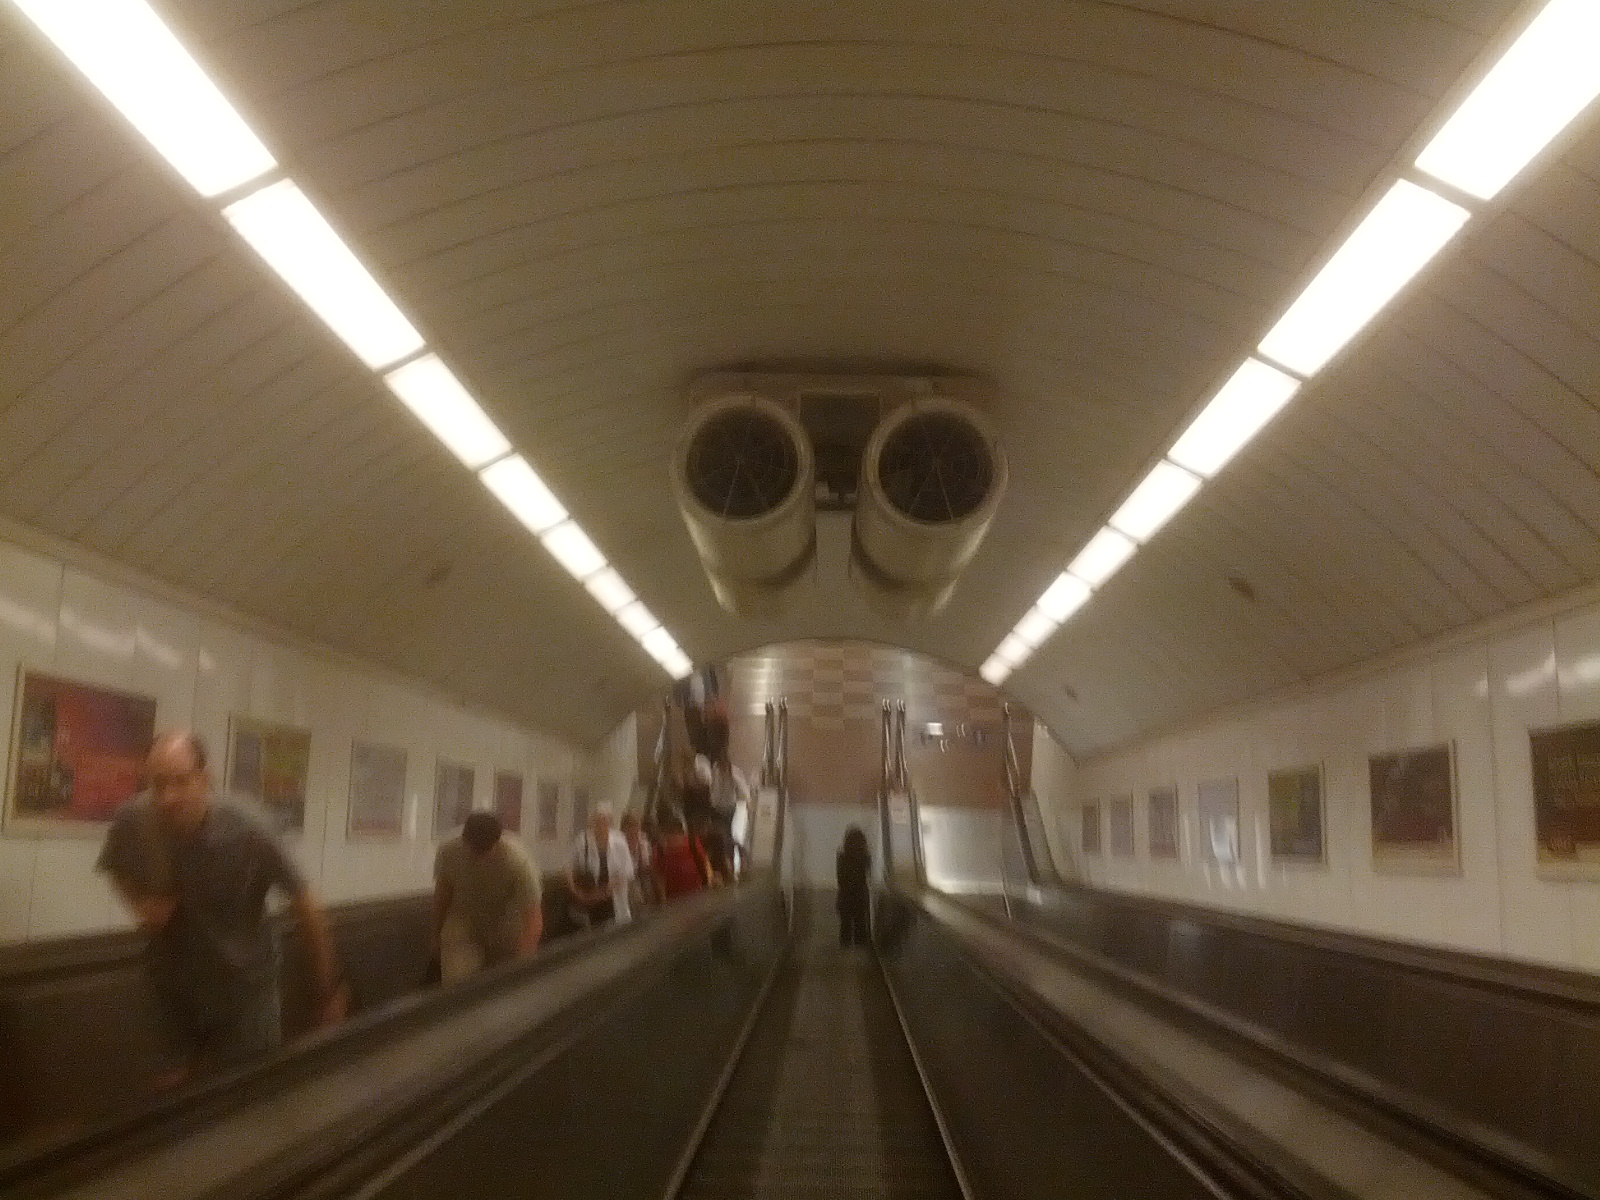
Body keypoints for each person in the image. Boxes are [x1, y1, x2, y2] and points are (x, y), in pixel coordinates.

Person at [96, 731, 346, 1083]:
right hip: (173, 987)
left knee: (246, 1091)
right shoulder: (134, 820)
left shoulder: (250, 829)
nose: (168, 797)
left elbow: (306, 905)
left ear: (205, 777)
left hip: (245, 992)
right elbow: (114, 867)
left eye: (180, 782)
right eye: (158, 784)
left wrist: (327, 988)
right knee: (171, 1094)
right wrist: (140, 905)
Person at [432, 812, 542, 985]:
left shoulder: (519, 862)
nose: (479, 858)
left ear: (498, 843)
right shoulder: (449, 851)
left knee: (503, 986)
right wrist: (436, 933)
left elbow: (533, 919)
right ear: (464, 841)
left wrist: (523, 967)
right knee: (457, 984)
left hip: (506, 925)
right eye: (474, 850)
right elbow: (444, 893)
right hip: (465, 920)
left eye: (485, 851)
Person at [566, 802, 634, 926]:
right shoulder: (582, 841)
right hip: (587, 901)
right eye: (597, 821)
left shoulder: (619, 842)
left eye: (604, 821)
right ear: (592, 822)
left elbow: (627, 873)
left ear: (610, 822)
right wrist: (577, 893)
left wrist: (600, 894)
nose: (601, 825)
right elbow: (569, 868)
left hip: (613, 901)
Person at [654, 813, 710, 900]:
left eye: (674, 834)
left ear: (681, 834)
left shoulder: (693, 844)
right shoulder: (660, 850)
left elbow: (705, 862)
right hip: (673, 899)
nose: (671, 840)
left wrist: (709, 883)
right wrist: (663, 898)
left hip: (697, 894)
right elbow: (659, 875)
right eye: (667, 835)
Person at [836, 826, 872, 947]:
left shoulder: (842, 857)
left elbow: (841, 879)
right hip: (860, 895)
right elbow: (866, 875)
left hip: (845, 895)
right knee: (860, 924)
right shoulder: (865, 857)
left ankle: (845, 950)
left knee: (845, 926)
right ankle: (859, 949)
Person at [620, 810, 658, 911]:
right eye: (630, 825)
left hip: (644, 882)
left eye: (636, 825)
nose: (633, 829)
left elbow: (649, 863)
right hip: (626, 884)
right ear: (623, 828)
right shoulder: (618, 844)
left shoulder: (644, 842)